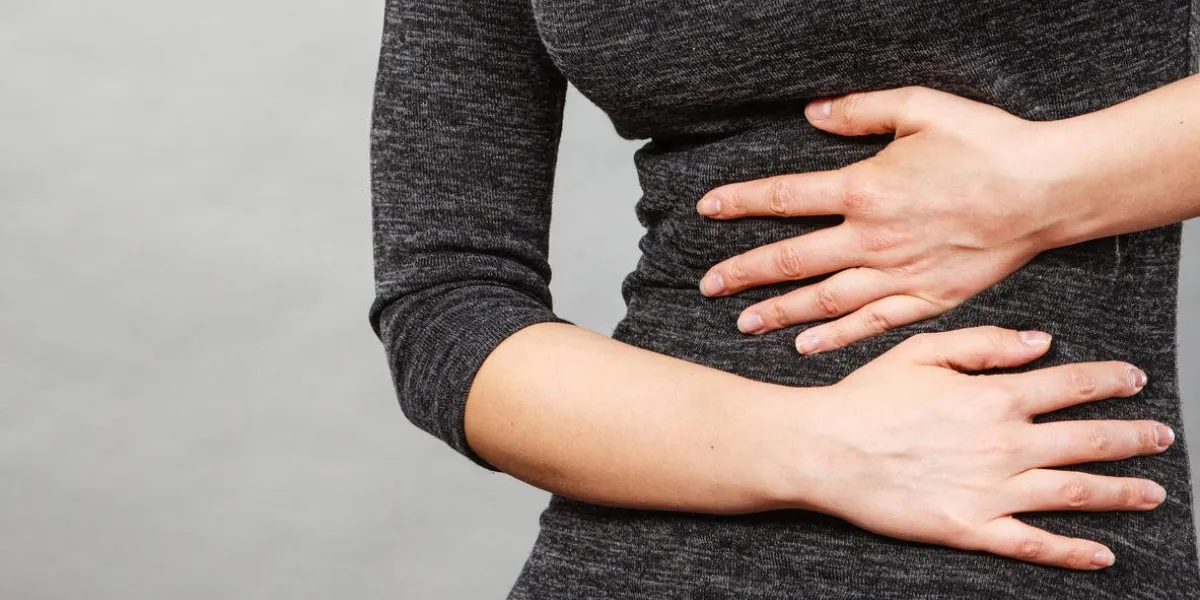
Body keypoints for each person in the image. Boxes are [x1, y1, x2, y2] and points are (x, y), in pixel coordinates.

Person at [368, 0, 1200, 597]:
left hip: (1020, 510)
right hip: (642, 539)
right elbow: (446, 306)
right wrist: (828, 449)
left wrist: (1044, 186)